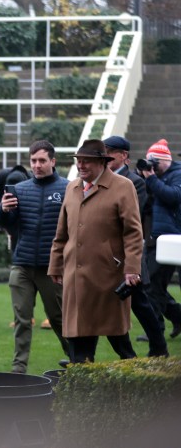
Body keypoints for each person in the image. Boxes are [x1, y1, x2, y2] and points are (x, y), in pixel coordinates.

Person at [48, 140, 144, 364]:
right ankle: (79, 369)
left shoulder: (123, 186)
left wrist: (132, 269)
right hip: (75, 274)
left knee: (118, 336)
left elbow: (133, 232)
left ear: (101, 162)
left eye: (86, 161)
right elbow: (61, 232)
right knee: (78, 332)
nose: (81, 165)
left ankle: (136, 375)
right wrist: (55, 265)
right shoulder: (72, 187)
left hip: (107, 275)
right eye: (78, 161)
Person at [0, 140, 69, 373]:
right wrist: (3, 211)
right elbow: (8, 224)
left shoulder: (68, 188)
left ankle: (78, 358)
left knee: (58, 318)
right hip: (22, 265)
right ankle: (18, 369)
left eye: (42, 161)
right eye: (33, 161)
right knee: (22, 319)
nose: (37, 165)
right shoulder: (21, 189)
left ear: (53, 161)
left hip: (52, 268)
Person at [103, 136, 169, 357]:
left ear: (124, 156)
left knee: (140, 305)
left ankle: (158, 348)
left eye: (111, 151)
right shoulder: (101, 180)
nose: (107, 154)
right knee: (110, 305)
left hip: (128, 253)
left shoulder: (135, 181)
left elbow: (132, 216)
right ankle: (124, 356)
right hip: (108, 256)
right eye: (105, 150)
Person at [138, 139, 181, 341]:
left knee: (154, 285)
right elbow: (147, 203)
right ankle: (167, 322)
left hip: (174, 239)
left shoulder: (177, 174)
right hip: (157, 238)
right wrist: (147, 179)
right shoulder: (155, 177)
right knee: (152, 285)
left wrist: (152, 179)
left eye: (154, 162)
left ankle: (159, 328)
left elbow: (173, 196)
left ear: (165, 161)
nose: (151, 166)